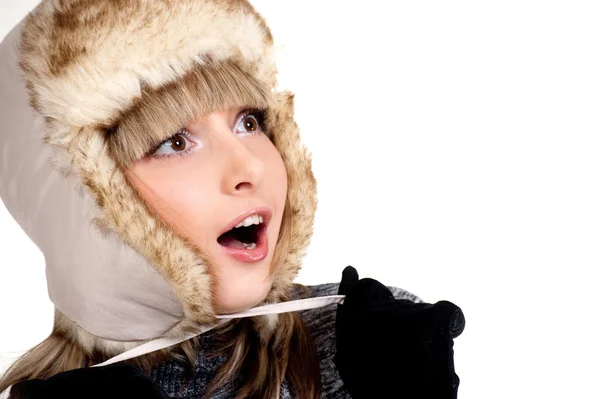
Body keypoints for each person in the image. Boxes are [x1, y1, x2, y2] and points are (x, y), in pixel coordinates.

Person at [0, 1, 464, 398]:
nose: (251, 167)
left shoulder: (366, 347)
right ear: (83, 199)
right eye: (175, 142)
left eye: (250, 122)